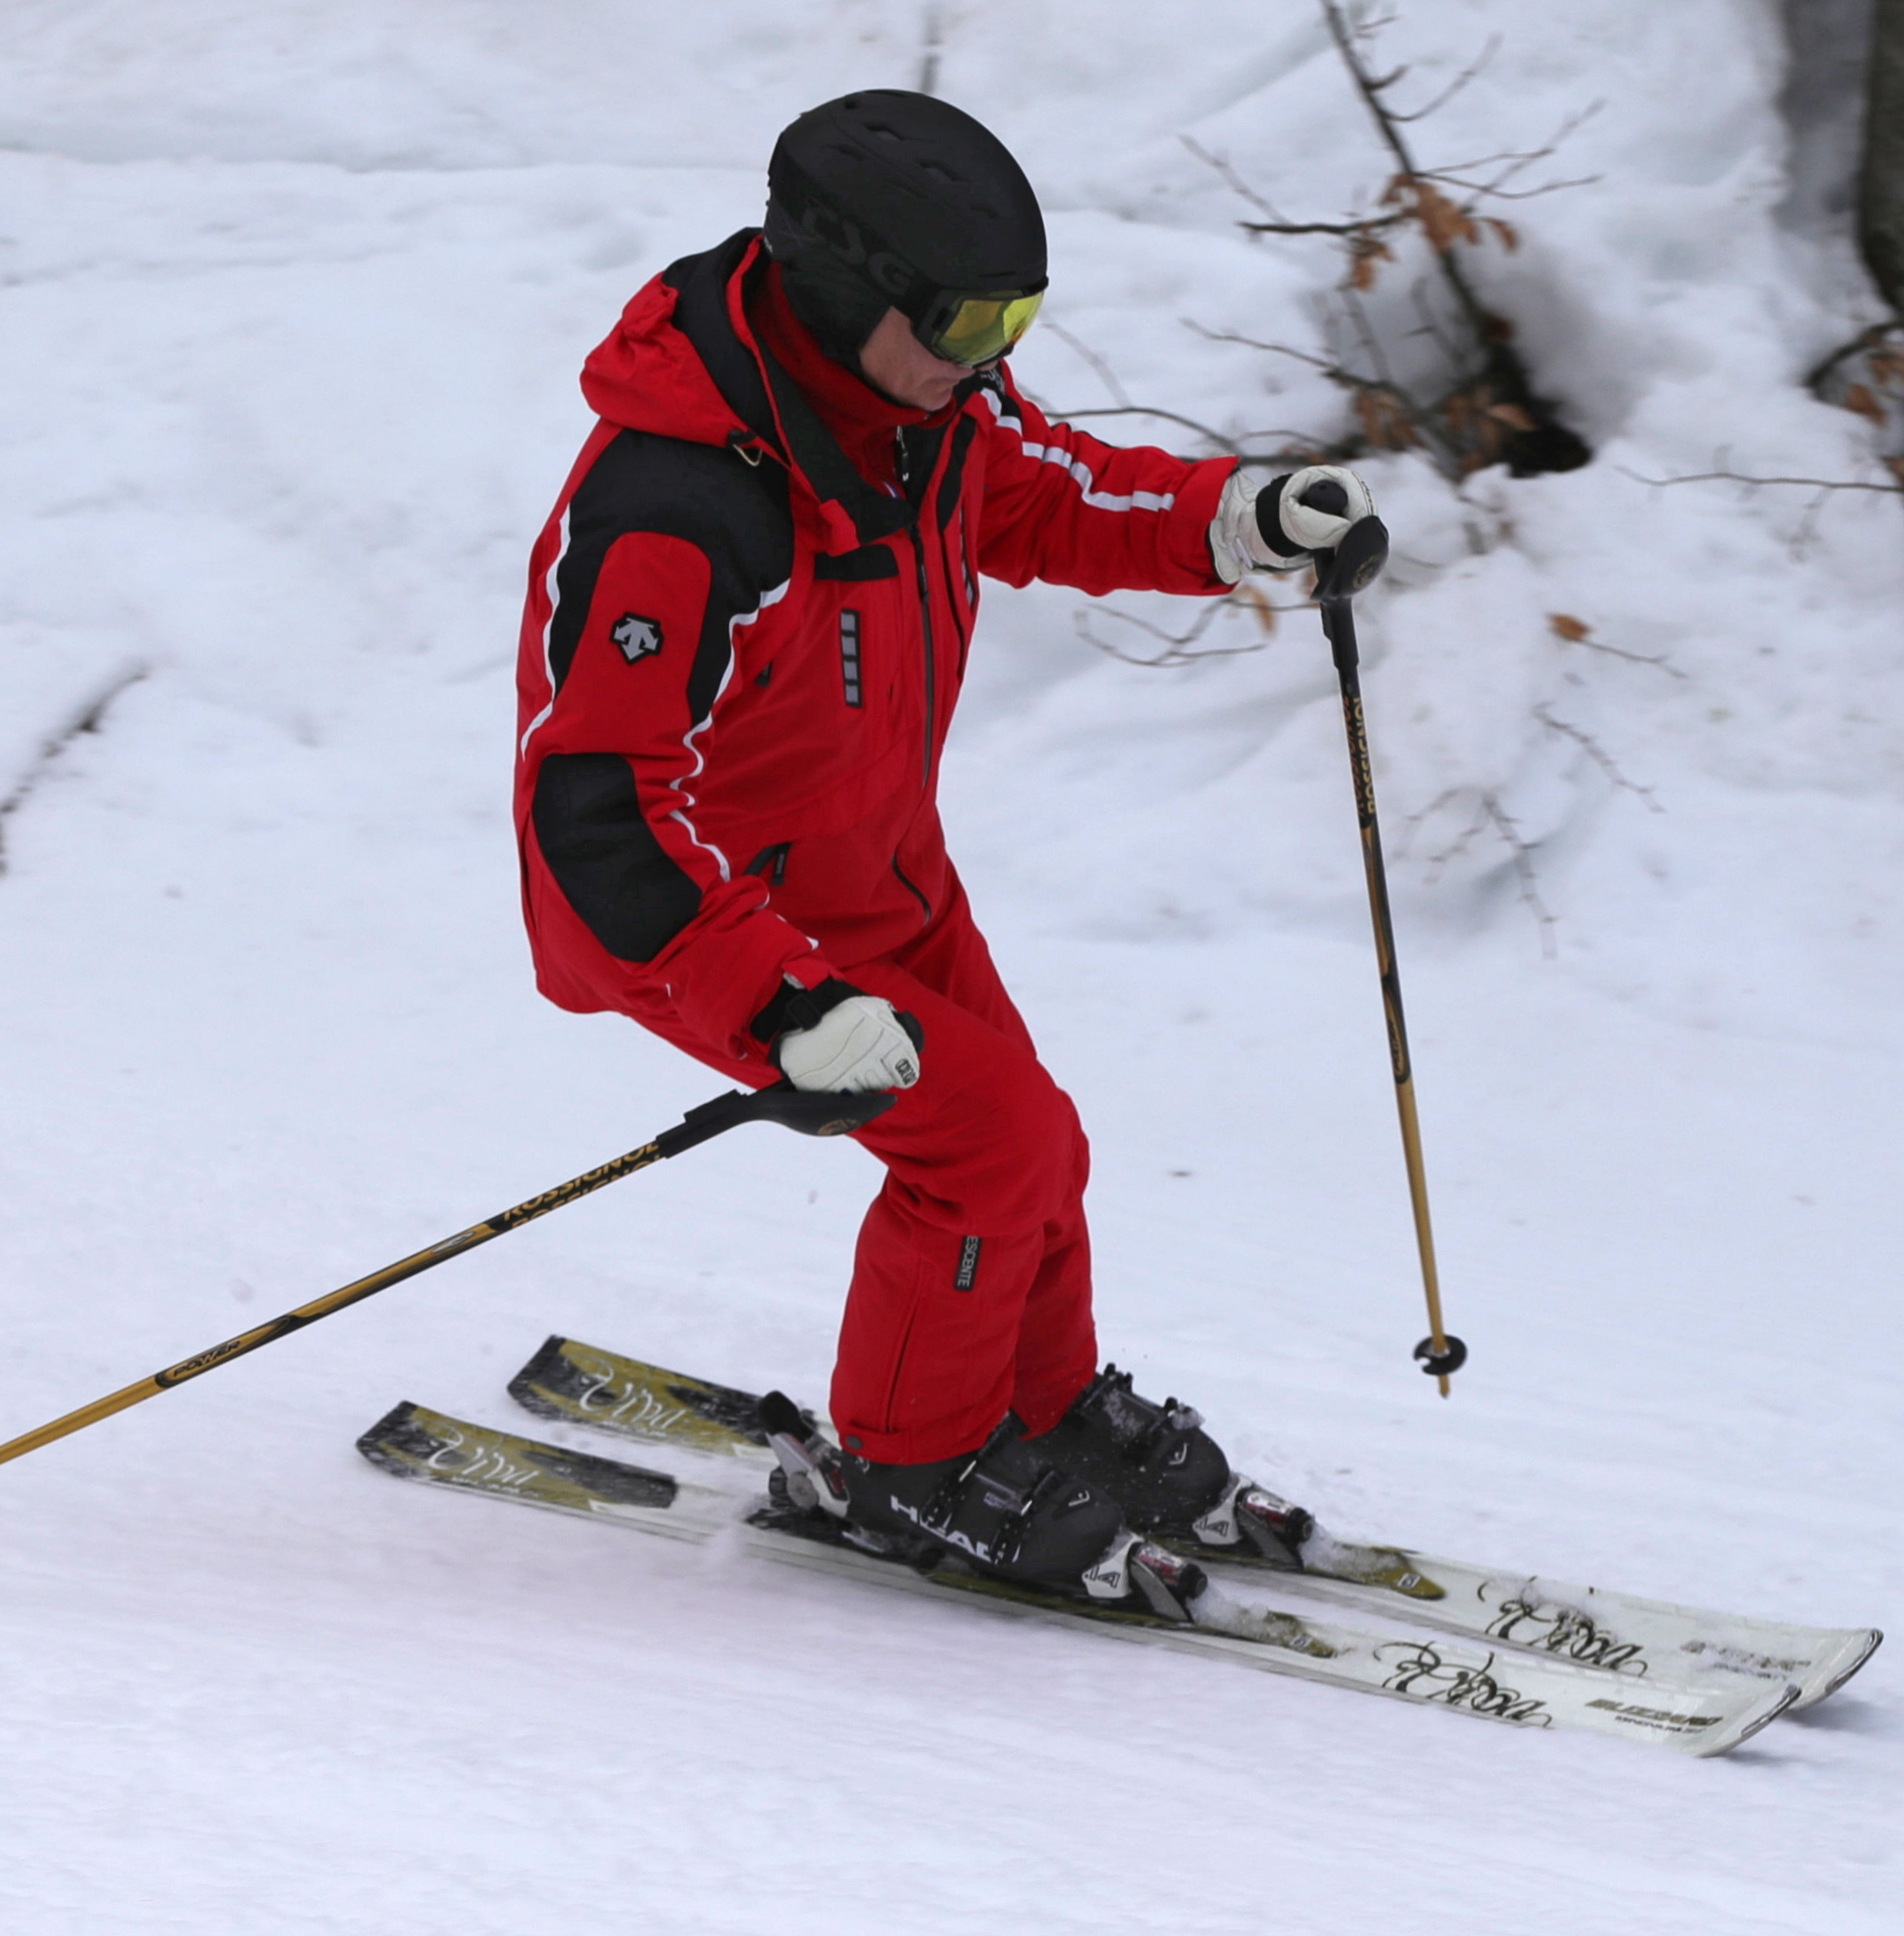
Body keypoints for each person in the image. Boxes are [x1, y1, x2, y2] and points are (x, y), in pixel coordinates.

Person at [511, 91, 1374, 1604]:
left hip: (880, 873)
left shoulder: (928, 409)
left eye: (1020, 315)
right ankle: (916, 1463)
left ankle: (1035, 1410)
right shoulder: (685, 502)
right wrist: (779, 1007)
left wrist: (1242, 520)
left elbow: (1049, 490)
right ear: (846, 290)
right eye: (969, 316)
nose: (996, 353)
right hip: (713, 921)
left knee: (1040, 1139)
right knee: (990, 1147)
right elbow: (592, 811)